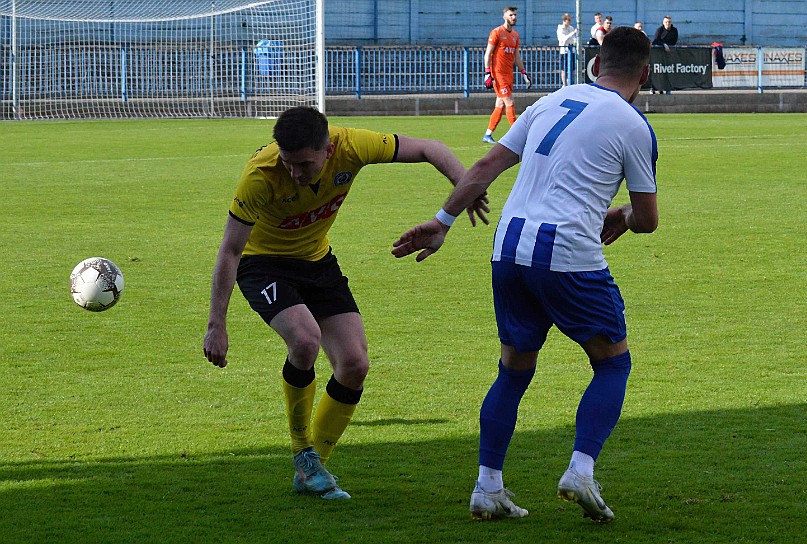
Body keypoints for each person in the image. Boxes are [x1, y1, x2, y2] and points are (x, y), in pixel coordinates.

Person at [392, 26, 658, 523]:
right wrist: (619, 215)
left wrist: (442, 221)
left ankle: (487, 486)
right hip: (568, 255)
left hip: (509, 248)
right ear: (643, 74)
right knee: (612, 364)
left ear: (595, 64)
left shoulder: (548, 102)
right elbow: (646, 220)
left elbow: (488, 164)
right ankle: (580, 470)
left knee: (513, 370)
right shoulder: (633, 124)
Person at [203, 106, 489, 500]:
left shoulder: (353, 146)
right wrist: (216, 324)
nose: (294, 174)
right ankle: (302, 449)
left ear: (328, 148)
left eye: (303, 164)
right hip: (262, 263)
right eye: (288, 163)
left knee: (354, 364)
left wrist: (464, 187)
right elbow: (230, 251)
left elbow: (430, 148)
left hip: (317, 261)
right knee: (304, 341)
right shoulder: (260, 174)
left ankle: (311, 467)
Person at [483, 6, 531, 144]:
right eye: (511, 15)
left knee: (500, 104)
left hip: (509, 74)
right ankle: (519, 136)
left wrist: (523, 72)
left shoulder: (515, 36)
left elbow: (517, 57)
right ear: (504, 17)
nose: (514, 17)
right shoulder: (497, 33)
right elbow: (488, 54)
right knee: (509, 102)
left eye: (515, 15)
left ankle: (488, 134)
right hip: (498, 74)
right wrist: (487, 73)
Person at [651, 15, 678, 94]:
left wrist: (668, 46)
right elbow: (655, 41)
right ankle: (656, 88)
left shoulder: (674, 30)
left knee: (668, 71)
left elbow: (674, 41)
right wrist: (663, 44)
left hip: (669, 54)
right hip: (659, 54)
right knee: (658, 71)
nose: (667, 23)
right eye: (666, 22)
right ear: (663, 23)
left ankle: (667, 89)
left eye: (669, 22)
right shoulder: (659, 30)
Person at [556, 13, 578, 87]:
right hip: (564, 51)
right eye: (567, 20)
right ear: (564, 20)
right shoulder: (560, 28)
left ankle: (571, 83)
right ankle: (564, 84)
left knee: (573, 69)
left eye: (569, 20)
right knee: (564, 69)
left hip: (571, 50)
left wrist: (574, 41)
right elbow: (563, 39)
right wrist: (572, 34)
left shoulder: (571, 28)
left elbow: (573, 39)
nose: (568, 22)